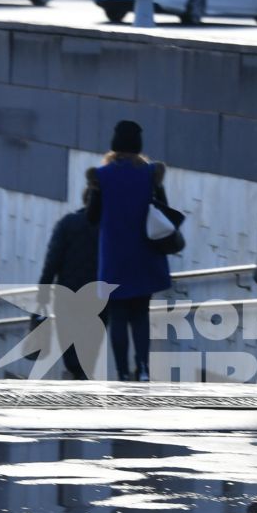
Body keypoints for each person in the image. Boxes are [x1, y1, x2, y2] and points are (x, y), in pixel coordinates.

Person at [85, 120, 172, 382]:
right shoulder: (150, 174)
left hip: (115, 256)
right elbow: (164, 209)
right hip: (145, 253)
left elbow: (92, 216)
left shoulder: (102, 176)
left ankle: (122, 371)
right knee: (140, 314)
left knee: (118, 314)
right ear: (138, 146)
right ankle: (143, 368)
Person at [39, 188, 102, 380]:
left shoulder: (67, 224)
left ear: (84, 200)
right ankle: (85, 370)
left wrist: (44, 288)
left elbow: (53, 258)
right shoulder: (108, 227)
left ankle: (76, 370)